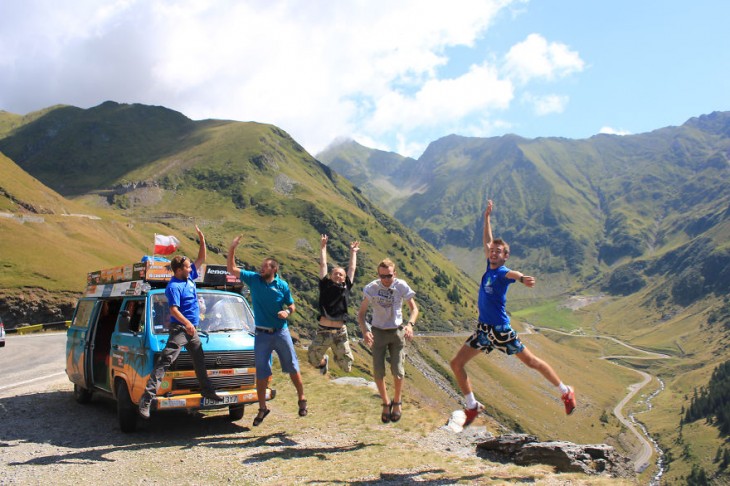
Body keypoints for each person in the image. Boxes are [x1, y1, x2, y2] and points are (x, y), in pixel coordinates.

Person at [450, 200, 577, 427]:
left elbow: (513, 274)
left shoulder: (501, 272)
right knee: (456, 364)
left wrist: (521, 278)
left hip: (500, 330)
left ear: (505, 256)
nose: (493, 252)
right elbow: (487, 240)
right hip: (484, 330)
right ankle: (472, 406)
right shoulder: (490, 266)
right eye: (491, 251)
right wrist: (487, 217)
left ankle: (566, 391)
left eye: (498, 251)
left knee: (531, 362)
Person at [139, 225, 222, 419]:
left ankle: (207, 391)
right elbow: (173, 310)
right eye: (186, 266)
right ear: (178, 270)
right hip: (180, 329)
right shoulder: (174, 286)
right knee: (165, 360)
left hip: (191, 330)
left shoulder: (188, 278)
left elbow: (201, 259)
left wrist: (202, 240)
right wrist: (187, 324)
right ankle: (146, 399)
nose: (190, 268)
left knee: (199, 360)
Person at [227, 235, 306, 426]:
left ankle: (302, 399)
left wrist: (287, 311)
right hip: (261, 334)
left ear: (274, 269)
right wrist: (232, 249)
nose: (260, 269)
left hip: (280, 332)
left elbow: (292, 305)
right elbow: (231, 269)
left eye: (264, 267)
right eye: (261, 267)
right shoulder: (254, 280)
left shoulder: (282, 285)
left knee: (292, 366)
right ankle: (262, 408)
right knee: (261, 372)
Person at [357, 258, 418, 424]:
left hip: (397, 332)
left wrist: (410, 325)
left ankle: (397, 402)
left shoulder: (401, 286)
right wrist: (365, 331)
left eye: (389, 276)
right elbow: (361, 314)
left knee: (398, 370)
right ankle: (386, 402)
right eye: (382, 276)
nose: (385, 280)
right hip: (378, 332)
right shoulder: (371, 288)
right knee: (378, 371)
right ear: (378, 275)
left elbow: (414, 308)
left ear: (394, 274)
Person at [307, 235, 359, 375]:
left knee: (347, 365)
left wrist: (353, 252)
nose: (338, 276)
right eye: (335, 274)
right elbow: (323, 265)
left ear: (344, 278)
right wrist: (323, 247)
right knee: (312, 359)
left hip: (340, 333)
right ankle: (324, 362)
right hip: (324, 330)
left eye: (341, 275)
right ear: (330, 276)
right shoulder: (325, 285)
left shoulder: (346, 286)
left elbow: (352, 269)